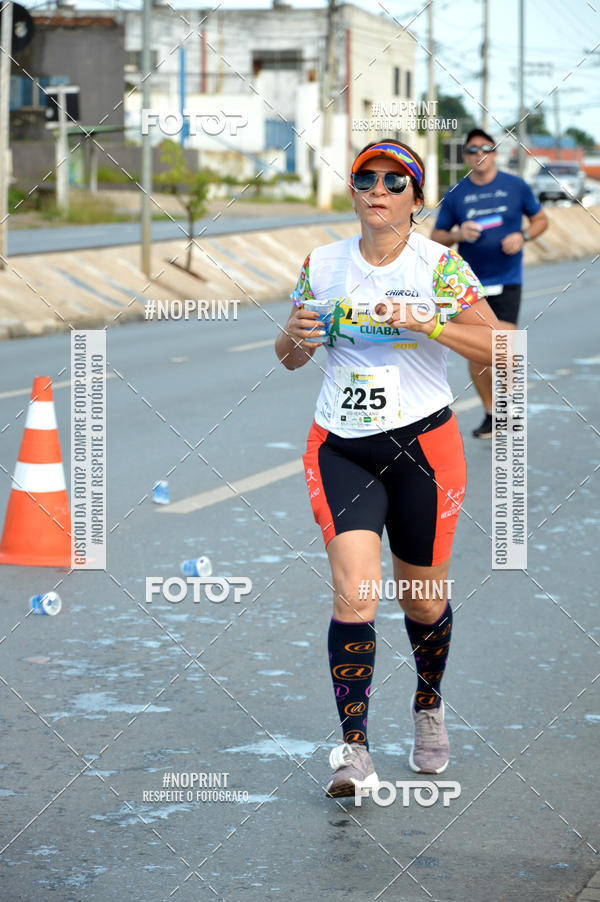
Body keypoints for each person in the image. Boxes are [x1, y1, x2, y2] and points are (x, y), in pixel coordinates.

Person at [275, 139, 500, 798]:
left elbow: (504, 348)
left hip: (423, 448)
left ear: (415, 199)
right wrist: (294, 333)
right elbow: (288, 356)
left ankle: (427, 707)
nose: (377, 188)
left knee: (422, 599)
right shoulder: (322, 263)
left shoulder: (441, 268)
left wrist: (430, 322)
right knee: (355, 593)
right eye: (365, 178)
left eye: (394, 181)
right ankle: (354, 751)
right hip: (340, 444)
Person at [431, 128, 548, 438]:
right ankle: (491, 413)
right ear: (466, 156)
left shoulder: (516, 186)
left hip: (507, 280)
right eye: (472, 150)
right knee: (477, 354)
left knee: (504, 348)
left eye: (486, 147)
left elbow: (541, 220)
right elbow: (436, 238)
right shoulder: (457, 193)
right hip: (470, 287)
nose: (479, 154)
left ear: (495, 153)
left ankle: (509, 408)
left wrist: (522, 236)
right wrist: (458, 234)